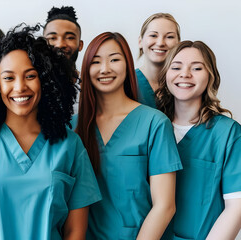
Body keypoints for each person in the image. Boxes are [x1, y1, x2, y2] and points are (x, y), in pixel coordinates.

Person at [0, 25, 101, 240]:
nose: (19, 87)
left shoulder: (70, 145)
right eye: (8, 78)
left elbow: (75, 232)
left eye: (30, 76)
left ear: (46, 81)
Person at [74, 32, 182, 239]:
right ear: (86, 69)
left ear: (128, 65)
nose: (105, 68)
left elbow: (165, 206)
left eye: (114, 59)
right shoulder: (74, 128)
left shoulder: (154, 124)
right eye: (96, 62)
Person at [156, 41, 241, 239]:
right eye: (176, 67)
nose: (185, 74)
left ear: (210, 76)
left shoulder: (228, 134)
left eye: (196, 68)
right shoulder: (152, 127)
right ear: (166, 74)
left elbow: (236, 207)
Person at [137, 13, 180, 108]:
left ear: (178, 44)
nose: (160, 43)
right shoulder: (127, 82)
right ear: (140, 41)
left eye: (169, 37)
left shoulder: (183, 83)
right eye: (153, 35)